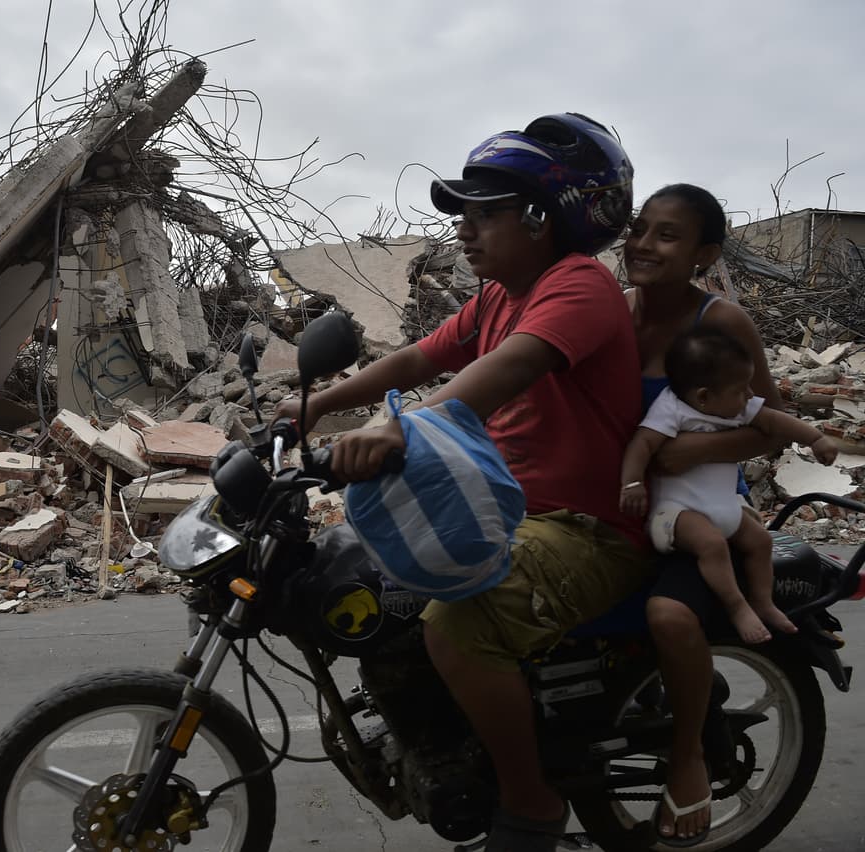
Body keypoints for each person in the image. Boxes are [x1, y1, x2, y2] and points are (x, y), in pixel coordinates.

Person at [278, 112, 649, 851]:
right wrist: (308, 408)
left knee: (456, 624)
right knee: (366, 583)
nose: (464, 231)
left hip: (585, 529)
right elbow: (417, 360)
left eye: (486, 215)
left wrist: (397, 428)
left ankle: (530, 802)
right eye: (464, 216)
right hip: (505, 511)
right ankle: (441, 741)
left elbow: (502, 371)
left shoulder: (576, 287)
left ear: (543, 219)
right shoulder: (496, 296)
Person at [624, 183, 793, 845]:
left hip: (701, 510)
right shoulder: (611, 314)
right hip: (626, 503)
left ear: (705, 254)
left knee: (670, 615)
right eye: (640, 228)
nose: (643, 244)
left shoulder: (720, 324)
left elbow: (772, 426)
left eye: (667, 235)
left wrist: (688, 452)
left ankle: (689, 754)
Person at [620, 326, 837, 643]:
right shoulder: (671, 409)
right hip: (677, 512)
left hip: (726, 505)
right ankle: (736, 606)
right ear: (704, 397)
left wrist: (815, 439)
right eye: (741, 389)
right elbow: (642, 445)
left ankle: (762, 601)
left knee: (761, 542)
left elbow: (775, 420)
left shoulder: (734, 404)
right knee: (712, 546)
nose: (750, 395)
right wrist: (632, 484)